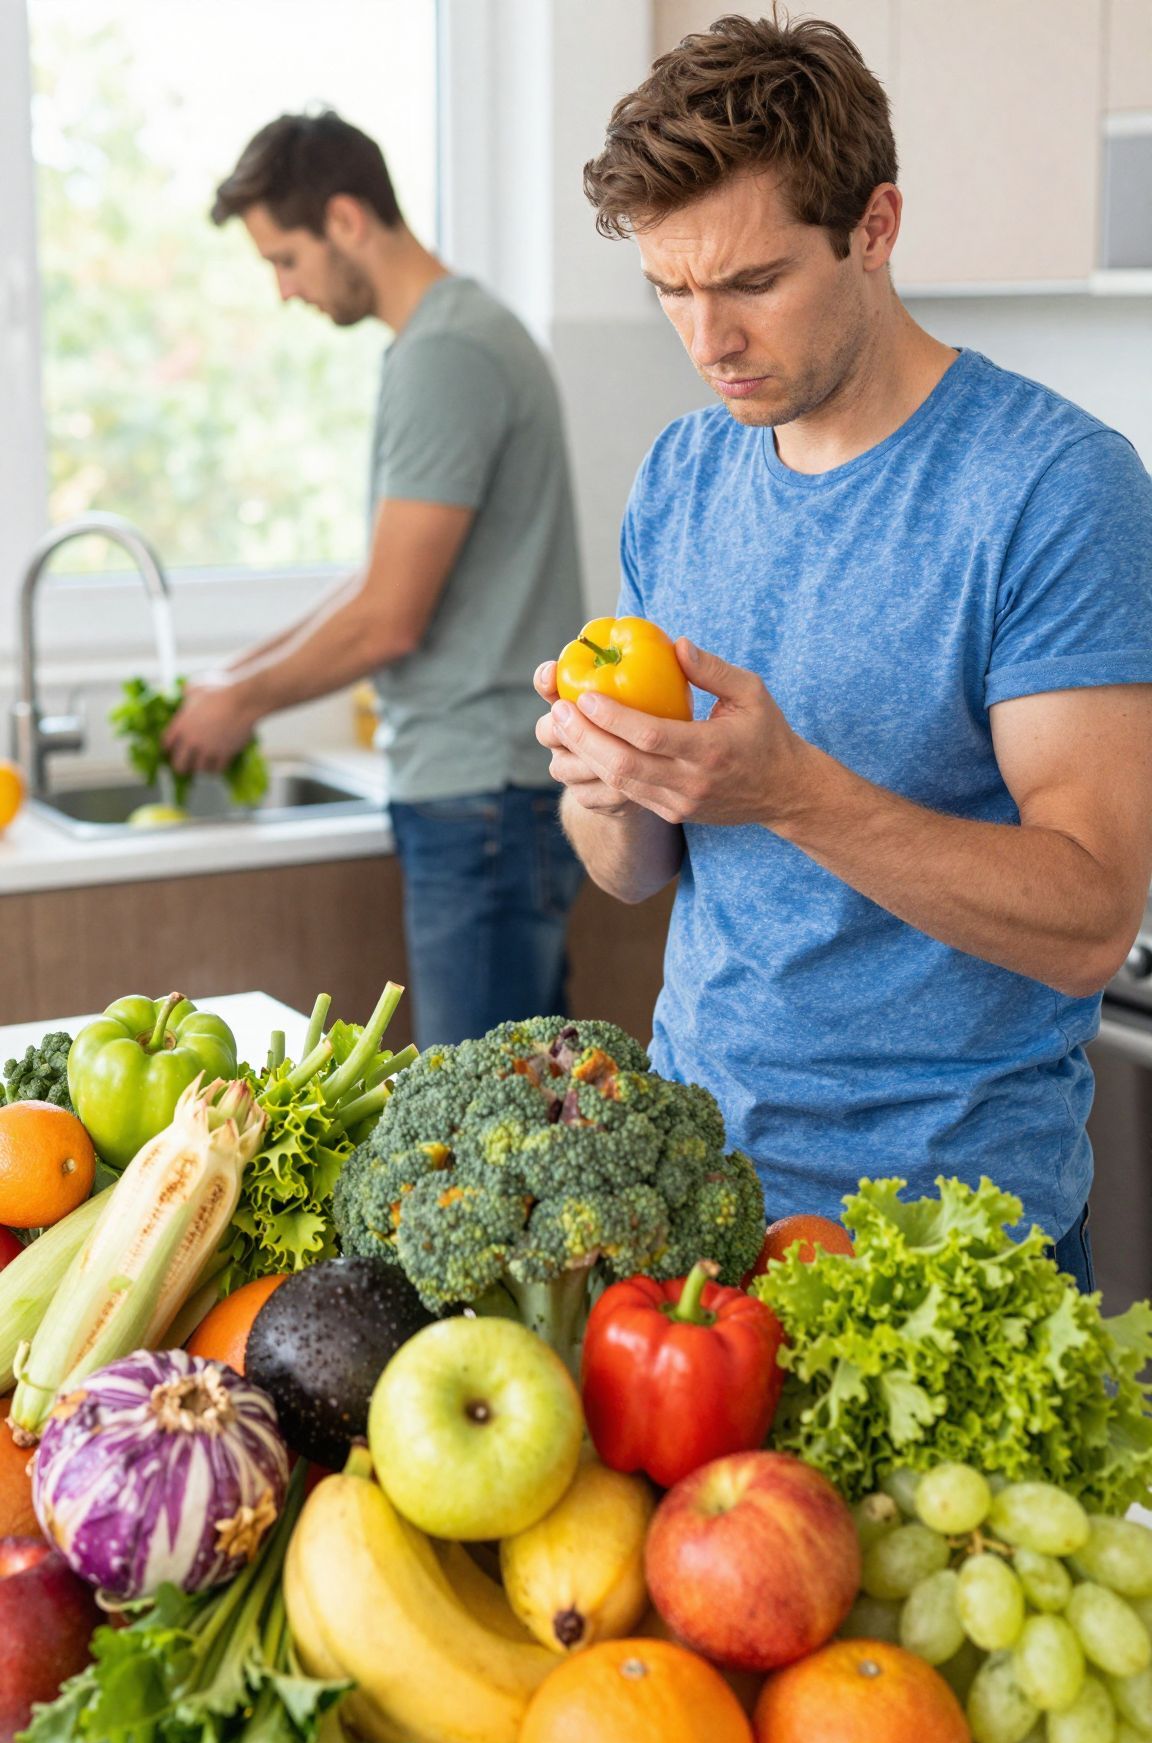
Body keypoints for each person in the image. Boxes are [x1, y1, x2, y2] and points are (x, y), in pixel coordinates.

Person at [534, 10, 1152, 1289]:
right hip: (698, 1210)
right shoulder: (683, 471)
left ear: (874, 228)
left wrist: (790, 789)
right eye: (670, 289)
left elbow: (1094, 914)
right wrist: (607, 776)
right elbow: (633, 875)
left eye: (753, 283)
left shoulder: (1053, 488)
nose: (708, 342)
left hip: (950, 1241)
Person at [167, 110, 586, 1048]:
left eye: (285, 258)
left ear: (347, 220)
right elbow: (379, 578)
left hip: (481, 797)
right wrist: (236, 678)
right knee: (530, 1115)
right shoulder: (453, 335)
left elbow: (389, 618)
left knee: (475, 1139)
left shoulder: (447, 354)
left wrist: (246, 705)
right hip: (491, 798)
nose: (284, 290)